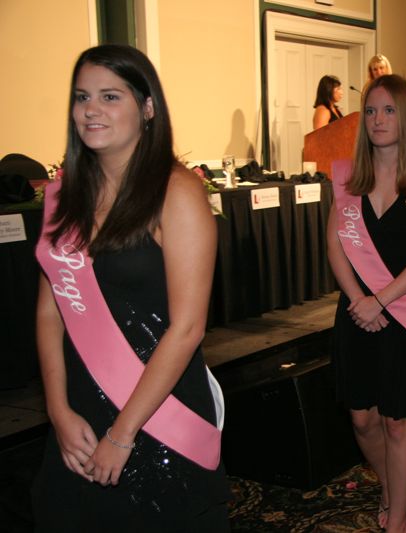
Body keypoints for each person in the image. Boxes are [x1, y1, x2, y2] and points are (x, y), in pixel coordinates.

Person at [32, 44, 230, 532]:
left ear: (147, 108)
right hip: (80, 407)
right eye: (82, 97)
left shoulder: (176, 192)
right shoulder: (64, 196)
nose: (91, 110)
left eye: (110, 96)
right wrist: (58, 410)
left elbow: (186, 328)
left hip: (158, 410)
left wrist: (122, 435)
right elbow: (49, 311)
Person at [327, 74, 406, 533]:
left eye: (389, 110)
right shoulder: (347, 177)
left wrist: (381, 300)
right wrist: (361, 300)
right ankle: (391, 486)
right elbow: (336, 245)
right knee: (362, 420)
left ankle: (397, 518)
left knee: (398, 422)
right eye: (371, 112)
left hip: (405, 312)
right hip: (357, 311)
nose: (378, 120)